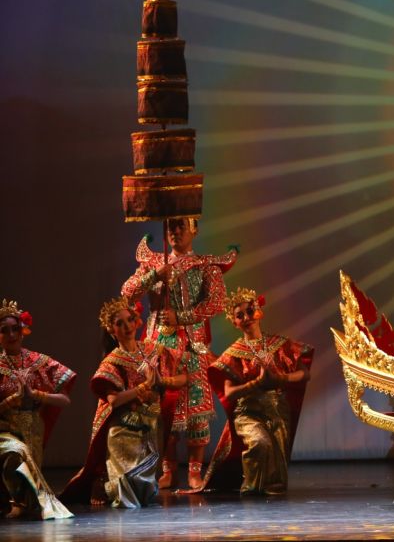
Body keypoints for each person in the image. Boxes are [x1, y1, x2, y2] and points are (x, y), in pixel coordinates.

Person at [120, 217, 237, 489]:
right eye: (170, 226)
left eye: (181, 226)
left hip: (192, 343)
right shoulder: (152, 263)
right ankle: (168, 469)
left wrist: (182, 317)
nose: (174, 231)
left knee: (196, 410)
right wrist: (154, 276)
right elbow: (127, 293)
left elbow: (216, 302)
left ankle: (195, 471)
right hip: (158, 345)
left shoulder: (205, 265)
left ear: (194, 229)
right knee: (163, 410)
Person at [61, 298, 186, 508]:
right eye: (120, 323)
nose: (127, 326)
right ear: (112, 330)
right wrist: (143, 387)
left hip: (151, 425)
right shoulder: (112, 362)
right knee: (127, 493)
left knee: (143, 493)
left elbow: (184, 377)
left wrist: (162, 381)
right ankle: (105, 483)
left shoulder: (154, 350)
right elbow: (114, 400)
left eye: (130, 320)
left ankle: (115, 485)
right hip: (123, 427)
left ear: (137, 322)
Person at [192, 288, 312, 495]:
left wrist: (280, 379)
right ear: (235, 323)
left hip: (277, 410)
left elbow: (304, 374)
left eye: (249, 311)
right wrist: (257, 383)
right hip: (248, 412)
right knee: (259, 443)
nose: (247, 318)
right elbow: (229, 393)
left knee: (277, 462)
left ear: (258, 312)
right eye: (240, 316)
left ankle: (271, 490)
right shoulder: (234, 353)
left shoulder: (279, 344)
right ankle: (250, 488)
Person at [0, 299, 74, 519]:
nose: (11, 334)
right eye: (4, 330)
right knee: (15, 452)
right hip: (4, 428)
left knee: (26, 468)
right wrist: (9, 402)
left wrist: (36, 395)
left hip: (33, 429)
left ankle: (24, 503)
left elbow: (64, 400)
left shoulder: (39, 362)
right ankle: (17, 502)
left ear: (23, 331)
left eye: (15, 329)